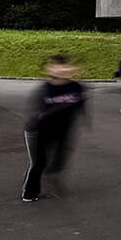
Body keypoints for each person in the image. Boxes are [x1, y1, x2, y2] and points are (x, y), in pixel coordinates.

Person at [21, 55, 87, 202]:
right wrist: (61, 106)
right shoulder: (44, 89)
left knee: (60, 158)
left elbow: (81, 105)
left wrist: (85, 119)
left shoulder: (76, 87)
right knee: (38, 162)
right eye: (56, 66)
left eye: (65, 66)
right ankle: (29, 192)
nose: (61, 70)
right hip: (37, 131)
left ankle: (52, 175)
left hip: (62, 130)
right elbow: (37, 113)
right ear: (48, 69)